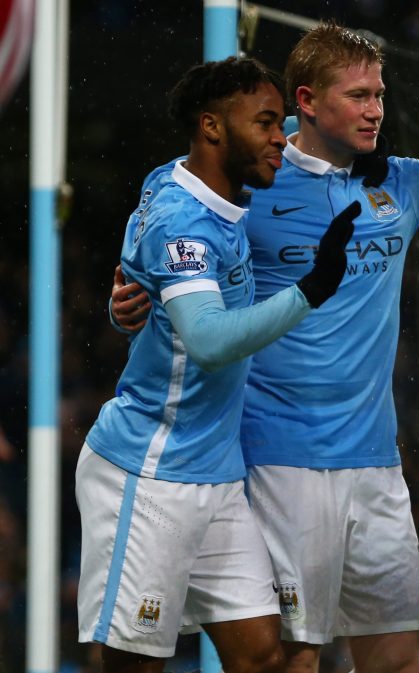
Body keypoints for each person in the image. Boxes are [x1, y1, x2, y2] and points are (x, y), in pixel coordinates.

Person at [110, 22, 419, 673]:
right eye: (357, 95)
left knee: (398, 657)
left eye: (379, 93)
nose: (375, 109)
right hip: (277, 459)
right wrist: (125, 303)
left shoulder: (404, 183)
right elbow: (160, 246)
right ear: (306, 102)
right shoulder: (249, 177)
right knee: (293, 658)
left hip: (376, 463)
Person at [77, 56, 359, 673]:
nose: (278, 139)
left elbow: (137, 261)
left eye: (280, 123)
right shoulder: (187, 223)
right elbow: (206, 341)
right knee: (134, 663)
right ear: (211, 127)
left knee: (262, 655)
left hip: (216, 473)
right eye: (263, 123)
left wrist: (125, 300)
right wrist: (311, 291)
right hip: (149, 471)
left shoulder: (168, 181)